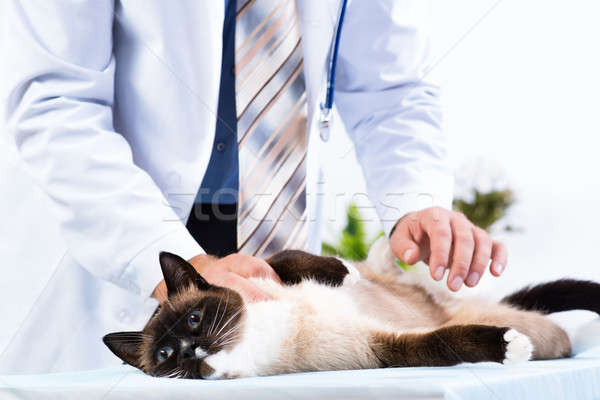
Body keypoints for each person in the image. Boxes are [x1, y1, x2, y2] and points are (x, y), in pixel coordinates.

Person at [0, 0, 506, 374]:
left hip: (271, 248)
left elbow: (390, 86)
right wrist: (172, 261)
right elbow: (55, 103)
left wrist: (416, 200)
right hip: (126, 239)